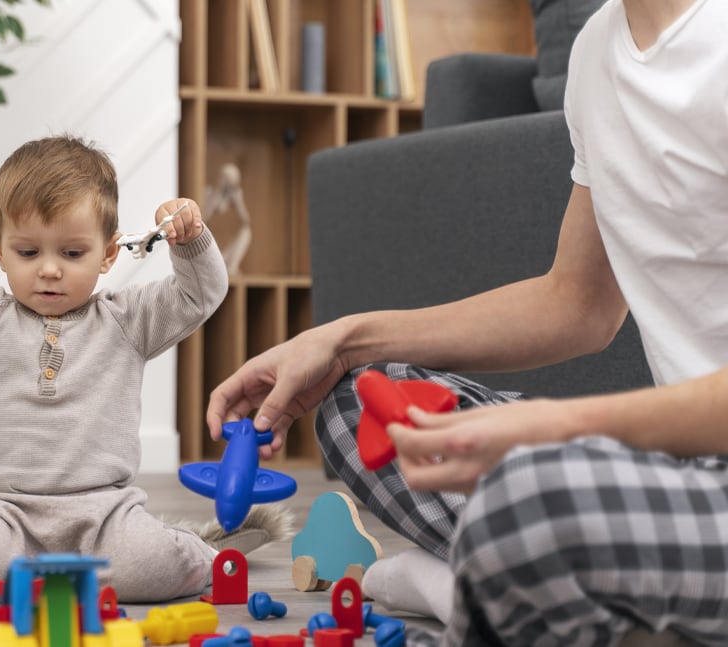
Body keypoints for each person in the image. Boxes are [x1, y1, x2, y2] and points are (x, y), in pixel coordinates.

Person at [207, 1, 728, 645]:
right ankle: (528, 578)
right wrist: (339, 342)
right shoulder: (597, 52)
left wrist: (550, 428)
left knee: (527, 504)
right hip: (678, 470)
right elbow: (577, 304)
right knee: (361, 410)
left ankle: (474, 584)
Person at [0, 135, 231, 602]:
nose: (49, 270)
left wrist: (191, 242)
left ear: (108, 255)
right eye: (28, 253)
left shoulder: (128, 320)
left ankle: (198, 554)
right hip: (2, 510)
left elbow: (200, 295)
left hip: (105, 511)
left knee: (147, 567)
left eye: (72, 254)